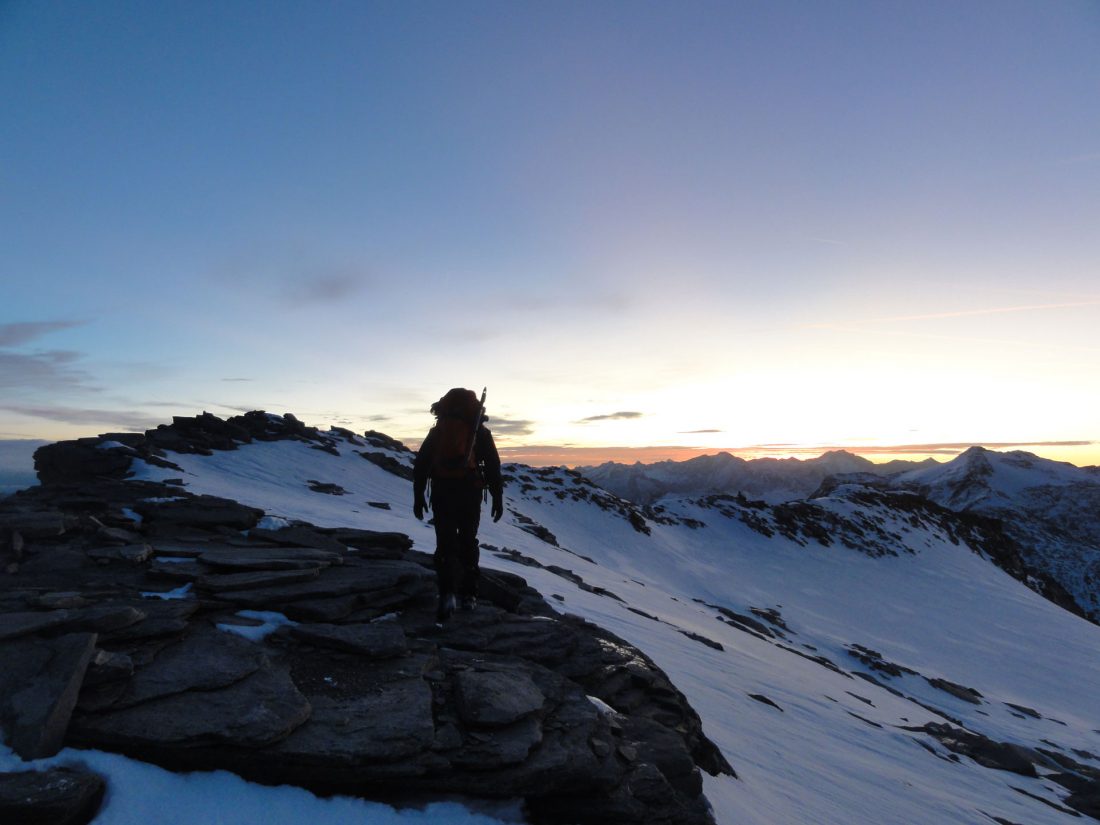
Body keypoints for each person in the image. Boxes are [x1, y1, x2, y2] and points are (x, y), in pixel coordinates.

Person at [413, 387, 504, 622]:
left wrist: (418, 496)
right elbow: (493, 466)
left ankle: (446, 594)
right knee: (468, 540)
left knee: (444, 542)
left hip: (443, 491)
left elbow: (421, 463)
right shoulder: (479, 433)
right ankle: (469, 594)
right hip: (470, 491)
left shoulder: (439, 431)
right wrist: (497, 497)